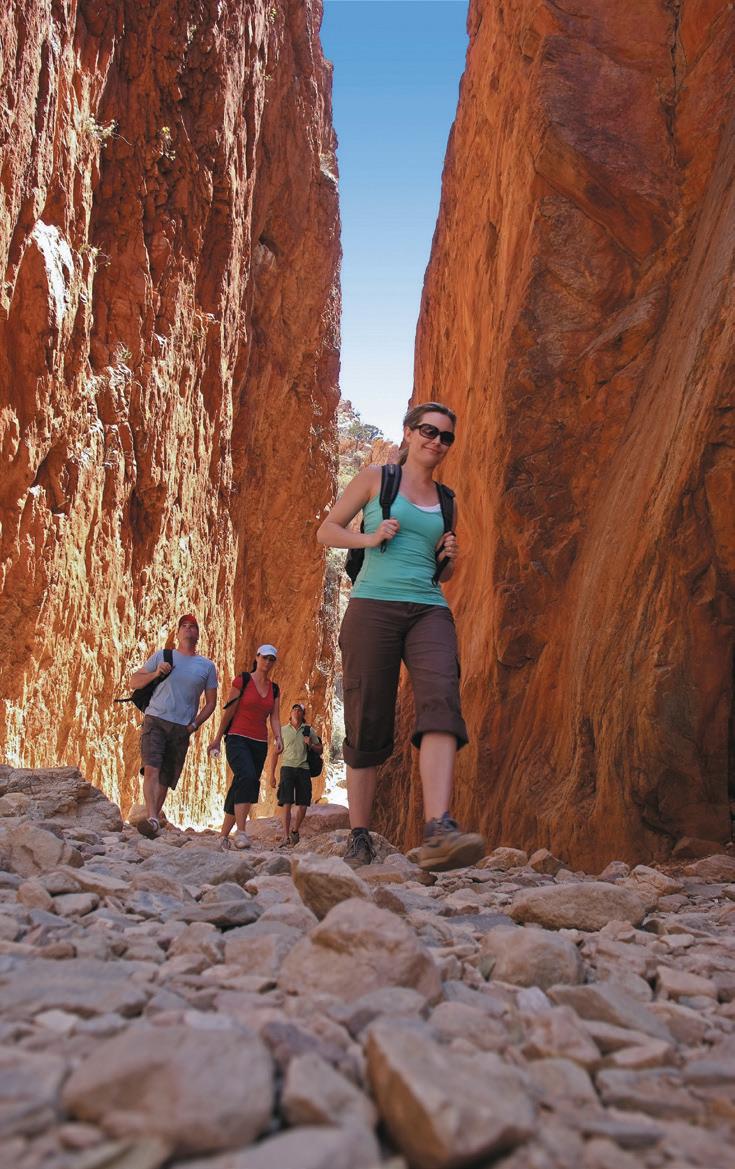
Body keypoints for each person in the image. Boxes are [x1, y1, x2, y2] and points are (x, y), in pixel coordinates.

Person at [316, 402, 485, 871]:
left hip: (429, 608)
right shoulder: (376, 479)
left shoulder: (447, 500)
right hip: (373, 606)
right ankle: (360, 835)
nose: (437, 441)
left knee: (441, 699)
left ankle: (439, 828)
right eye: (429, 431)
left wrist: (448, 557)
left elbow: (443, 575)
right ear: (409, 433)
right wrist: (369, 538)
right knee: (367, 716)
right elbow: (326, 531)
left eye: (446, 436)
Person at [129, 614, 218, 838]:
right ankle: (152, 818)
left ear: (198, 635)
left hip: (181, 728)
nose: (188, 629)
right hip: (156, 719)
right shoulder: (163, 656)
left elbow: (211, 702)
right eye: (184, 626)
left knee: (166, 777)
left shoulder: (207, 667)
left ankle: (153, 820)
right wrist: (156, 673)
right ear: (177, 633)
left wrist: (193, 725)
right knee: (151, 768)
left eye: (193, 627)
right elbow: (134, 681)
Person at [208, 644, 283, 849]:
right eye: (264, 657)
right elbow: (229, 711)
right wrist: (217, 739)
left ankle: (223, 836)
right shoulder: (243, 680)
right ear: (257, 657)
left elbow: (275, 717)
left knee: (243, 783)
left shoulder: (274, 689)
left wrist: (278, 737)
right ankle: (241, 832)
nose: (267, 662)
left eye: (271, 659)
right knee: (247, 777)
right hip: (237, 738)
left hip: (259, 743)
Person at [269, 703, 323, 845]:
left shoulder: (308, 730)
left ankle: (295, 830)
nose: (296, 711)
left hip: (303, 769)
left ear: (303, 715)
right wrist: (271, 775)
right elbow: (275, 753)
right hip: (287, 769)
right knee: (286, 803)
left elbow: (320, 749)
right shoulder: (282, 731)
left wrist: (311, 744)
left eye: (299, 710)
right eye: (294, 709)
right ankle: (286, 836)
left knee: (303, 804)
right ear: (290, 713)